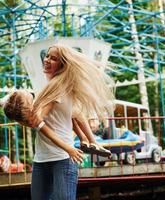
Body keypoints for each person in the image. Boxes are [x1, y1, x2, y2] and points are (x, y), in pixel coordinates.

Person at [29, 44, 114, 200]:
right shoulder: (55, 87)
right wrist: (87, 139)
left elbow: (38, 121)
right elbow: (74, 115)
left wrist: (70, 147)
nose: (47, 60)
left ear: (62, 65)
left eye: (53, 59)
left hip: (62, 158)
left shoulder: (58, 87)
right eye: (47, 56)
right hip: (41, 158)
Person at [0, 90, 84, 163]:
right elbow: (49, 134)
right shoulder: (27, 114)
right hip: (34, 116)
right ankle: (83, 137)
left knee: (72, 115)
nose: (28, 93)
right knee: (68, 118)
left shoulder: (21, 105)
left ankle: (85, 138)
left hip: (47, 113)